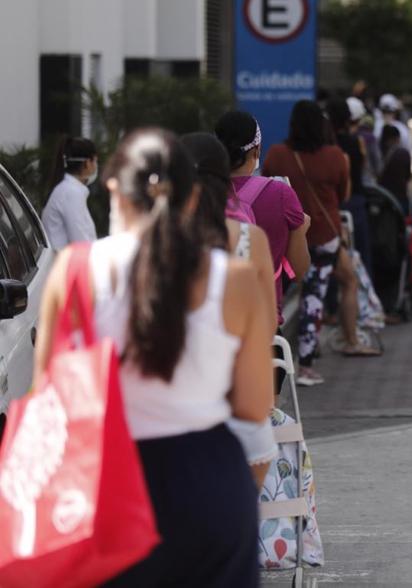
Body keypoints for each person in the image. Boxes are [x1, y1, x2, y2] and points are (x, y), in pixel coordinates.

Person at [33, 128, 274, 586]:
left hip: (106, 484)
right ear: (193, 196)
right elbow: (254, 404)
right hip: (212, 483)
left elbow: (53, 399)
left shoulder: (74, 271)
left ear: (112, 191)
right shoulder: (235, 280)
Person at [180, 131, 280, 488]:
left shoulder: (152, 240)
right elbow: (266, 326)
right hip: (237, 408)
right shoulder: (250, 240)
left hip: (168, 416)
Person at [263, 100, 379, 386]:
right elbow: (344, 194)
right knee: (313, 298)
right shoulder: (336, 156)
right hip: (324, 239)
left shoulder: (277, 154)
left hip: (287, 237)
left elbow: (266, 186)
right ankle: (306, 366)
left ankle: (268, 357)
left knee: (277, 297)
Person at [214, 111, 311, 328]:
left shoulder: (201, 194)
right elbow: (300, 271)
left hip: (213, 322)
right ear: (257, 149)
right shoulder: (280, 193)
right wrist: (301, 229)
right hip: (263, 320)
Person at [328, 97, 373, 275]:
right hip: (354, 202)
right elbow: (362, 168)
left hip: (329, 206)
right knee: (360, 258)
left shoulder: (325, 146)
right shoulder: (356, 142)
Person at [42, 136, 99, 249]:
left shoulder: (68, 190)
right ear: (87, 163)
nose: (97, 166)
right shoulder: (71, 193)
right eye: (96, 161)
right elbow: (81, 242)